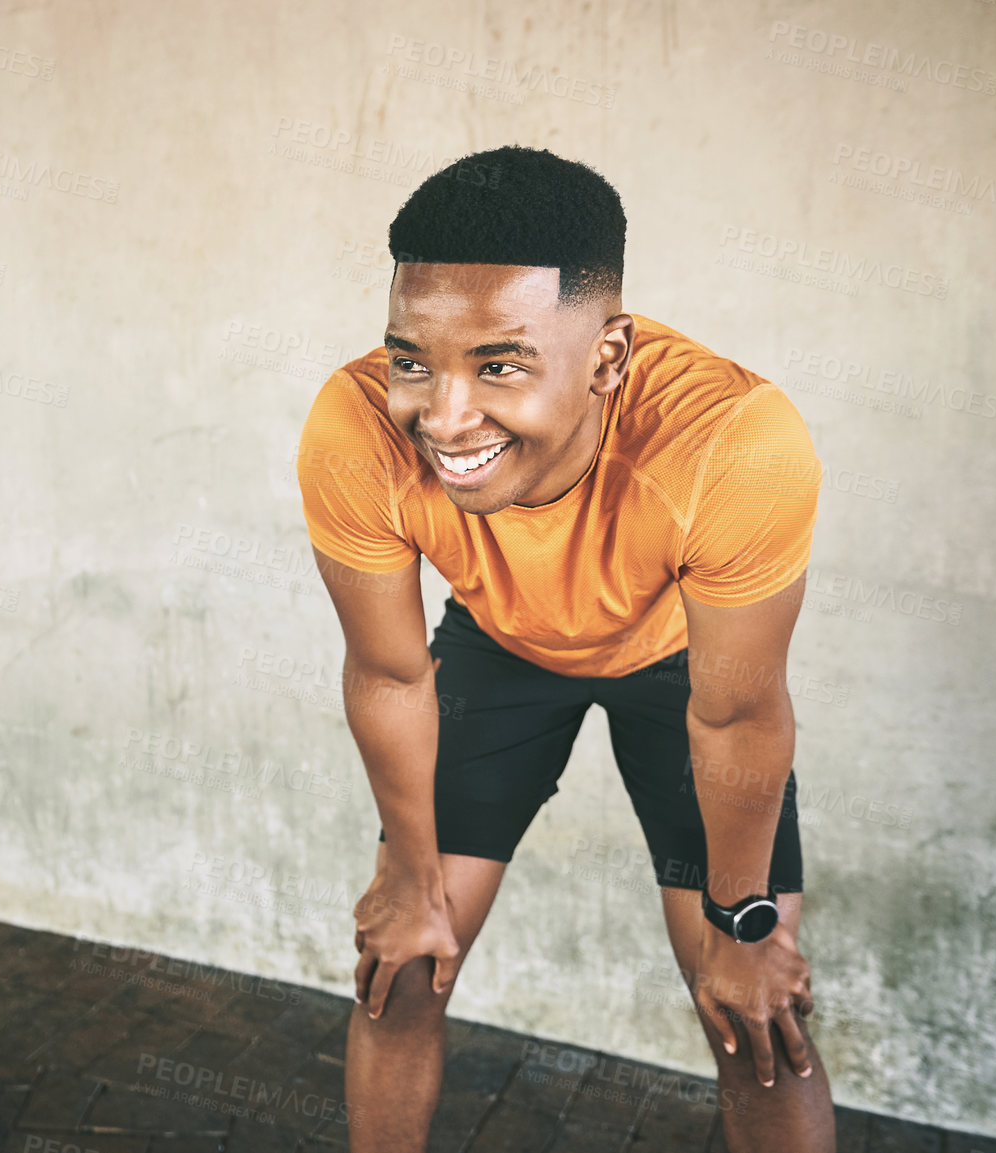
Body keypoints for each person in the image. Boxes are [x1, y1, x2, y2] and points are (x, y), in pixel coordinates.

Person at [295, 145, 835, 1152]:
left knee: (755, 1019)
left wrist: (745, 922)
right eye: (411, 357)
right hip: (497, 648)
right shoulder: (354, 425)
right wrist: (410, 880)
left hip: (683, 670)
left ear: (608, 358)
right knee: (398, 973)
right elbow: (388, 668)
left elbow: (737, 709)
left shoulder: (733, 442)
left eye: (498, 363)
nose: (441, 416)